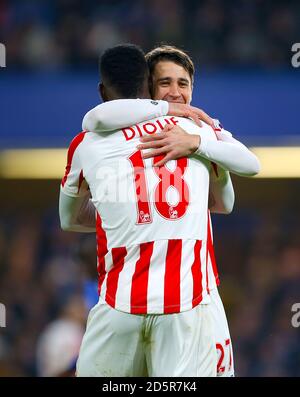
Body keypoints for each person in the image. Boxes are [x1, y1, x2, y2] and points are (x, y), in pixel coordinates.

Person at [82, 45, 260, 377]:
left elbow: (234, 190)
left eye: (183, 83)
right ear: (148, 88)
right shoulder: (122, 137)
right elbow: (95, 117)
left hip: (198, 294)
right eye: (165, 83)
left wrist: (198, 145)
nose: (176, 92)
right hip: (140, 301)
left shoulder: (199, 130)